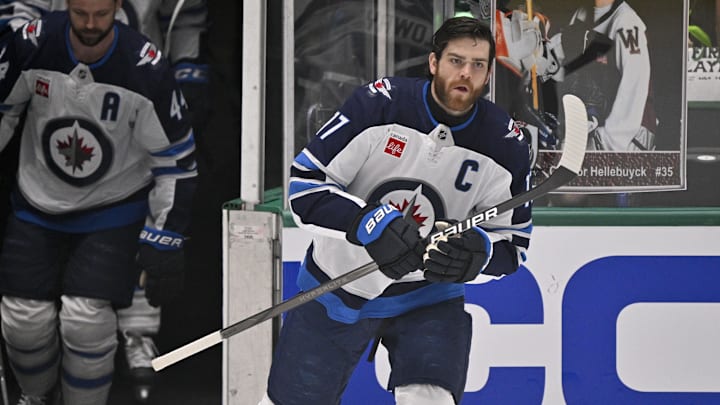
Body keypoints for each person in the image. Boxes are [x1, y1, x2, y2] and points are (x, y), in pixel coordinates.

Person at [261, 16, 532, 405]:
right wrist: (366, 222)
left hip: (429, 298)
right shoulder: (379, 105)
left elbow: (514, 245)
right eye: (456, 61)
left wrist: (477, 253)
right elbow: (304, 187)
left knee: (430, 399)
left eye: (477, 65)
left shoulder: (504, 143)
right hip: (337, 286)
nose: (465, 73)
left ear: (489, 74)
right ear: (434, 62)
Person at [0, 1, 208, 402]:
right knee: (22, 318)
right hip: (37, 198)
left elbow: (177, 162)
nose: (91, 25)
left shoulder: (146, 67)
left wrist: (165, 239)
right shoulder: (33, 43)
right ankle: (36, 396)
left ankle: (133, 341)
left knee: (85, 319)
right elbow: (5, 110)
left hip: (112, 205)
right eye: (81, 13)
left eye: (100, 14)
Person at [557, 0, 657, 151]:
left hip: (628, 134)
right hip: (591, 124)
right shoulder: (581, 14)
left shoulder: (627, 22)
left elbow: (635, 86)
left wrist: (606, 140)